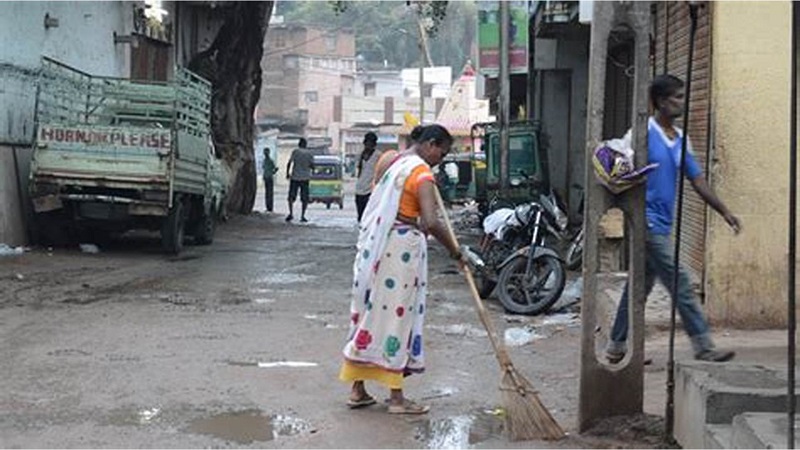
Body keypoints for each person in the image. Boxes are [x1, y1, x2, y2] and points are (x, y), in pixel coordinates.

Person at [605, 74, 742, 364]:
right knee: (680, 280)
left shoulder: (681, 141)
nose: (681, 102)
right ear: (660, 102)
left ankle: (616, 345)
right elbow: (618, 170)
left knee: (638, 288)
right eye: (676, 97)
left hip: (663, 224)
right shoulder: (641, 134)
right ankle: (703, 345)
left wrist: (725, 211)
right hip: (646, 221)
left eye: (682, 96)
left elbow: (698, 181)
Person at [339, 124, 463, 415]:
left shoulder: (390, 160)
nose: (439, 160)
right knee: (398, 319)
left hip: (376, 248)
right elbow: (431, 222)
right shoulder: (421, 174)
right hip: (401, 253)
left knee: (369, 314)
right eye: (441, 154)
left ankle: (357, 390)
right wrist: (457, 251)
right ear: (431, 144)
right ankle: (396, 398)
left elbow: (384, 204)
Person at [285, 138, 314, 223]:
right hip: (305, 178)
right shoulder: (309, 154)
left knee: (291, 196)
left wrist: (287, 173)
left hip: (295, 177)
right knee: (304, 198)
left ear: (299, 144)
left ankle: (291, 213)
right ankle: (303, 216)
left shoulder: (295, 152)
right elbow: (312, 166)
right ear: (305, 145)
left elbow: (289, 163)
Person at [355, 132, 381, 222]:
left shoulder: (378, 156)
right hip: (359, 189)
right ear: (364, 143)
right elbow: (358, 171)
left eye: (371, 143)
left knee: (369, 216)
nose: (368, 145)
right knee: (360, 216)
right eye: (367, 143)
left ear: (374, 144)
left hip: (371, 190)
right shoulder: (359, 155)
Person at [262, 148, 277, 213]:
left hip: (269, 178)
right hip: (266, 177)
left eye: (266, 152)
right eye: (265, 152)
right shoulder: (264, 161)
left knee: (269, 193)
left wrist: (273, 172)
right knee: (267, 193)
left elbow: (275, 169)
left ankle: (270, 207)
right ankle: (268, 207)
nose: (265, 154)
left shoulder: (270, 161)